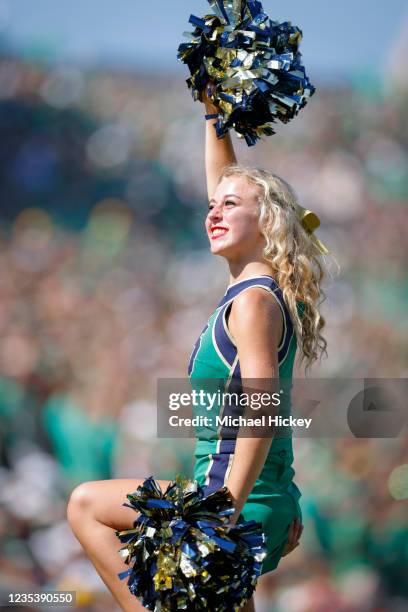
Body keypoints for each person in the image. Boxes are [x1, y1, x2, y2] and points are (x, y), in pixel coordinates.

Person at [66, 84, 329, 611]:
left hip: (233, 497)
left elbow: (261, 408)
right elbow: (226, 182)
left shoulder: (254, 304)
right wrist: (214, 113)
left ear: (268, 221)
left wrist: (225, 509)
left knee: (86, 505)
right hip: (264, 498)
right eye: (212, 205)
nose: (214, 212)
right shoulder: (262, 290)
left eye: (229, 206)